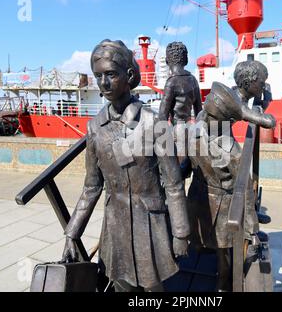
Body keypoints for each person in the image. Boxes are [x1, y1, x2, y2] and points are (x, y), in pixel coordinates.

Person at [62, 40, 190, 292]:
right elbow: (91, 187)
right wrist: (71, 232)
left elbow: (174, 183)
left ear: (129, 75)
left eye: (111, 74)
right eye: (98, 76)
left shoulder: (155, 122)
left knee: (153, 288)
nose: (103, 83)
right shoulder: (95, 127)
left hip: (150, 225)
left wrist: (181, 233)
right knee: (121, 286)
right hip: (115, 227)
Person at [182, 81, 275, 292]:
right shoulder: (214, 137)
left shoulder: (213, 140)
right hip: (210, 200)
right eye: (205, 111)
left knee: (214, 245)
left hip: (210, 201)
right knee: (212, 245)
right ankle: (215, 277)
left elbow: (244, 185)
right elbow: (244, 185)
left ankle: (218, 277)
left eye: (210, 114)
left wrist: (252, 227)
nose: (205, 116)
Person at [159, 42, 202, 158]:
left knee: (179, 164)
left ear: (167, 61)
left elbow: (162, 115)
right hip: (190, 128)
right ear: (186, 60)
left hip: (177, 129)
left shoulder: (171, 82)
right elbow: (199, 111)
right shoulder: (193, 80)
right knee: (189, 161)